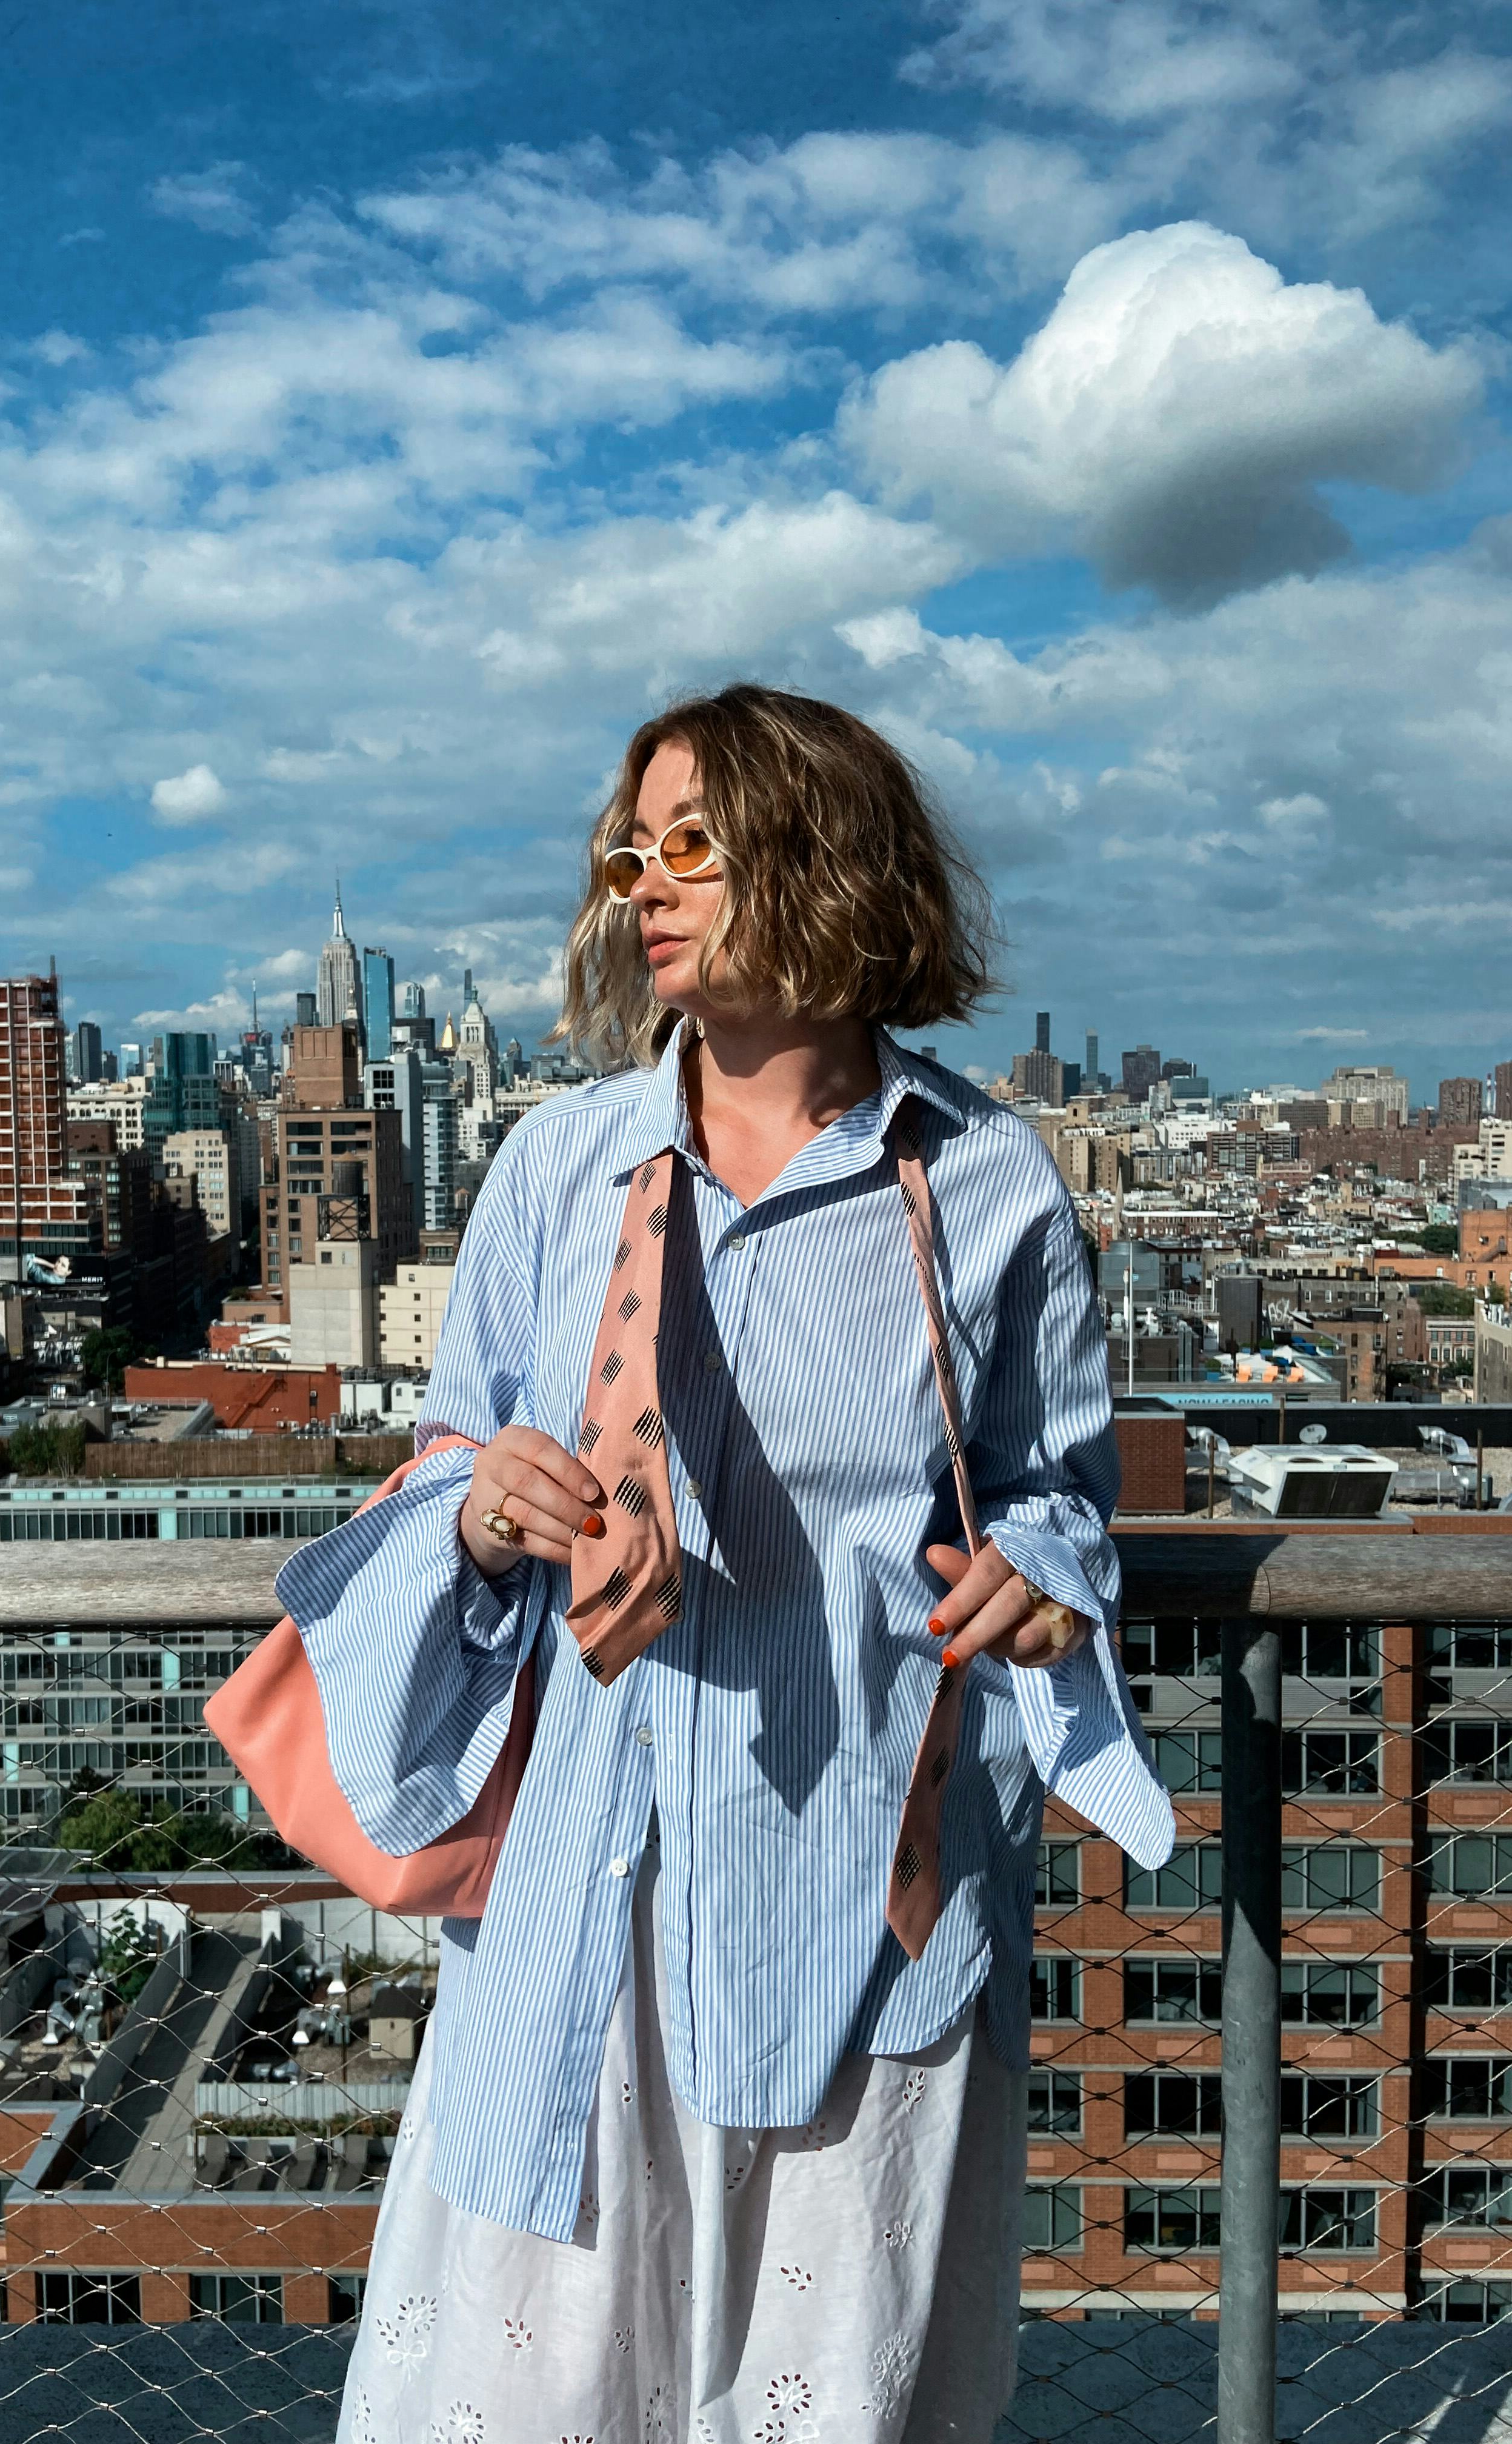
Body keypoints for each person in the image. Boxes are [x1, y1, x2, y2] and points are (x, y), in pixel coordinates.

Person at [275, 684, 1174, 2443]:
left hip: (862, 1889)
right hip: (586, 1893)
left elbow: (1054, 1491)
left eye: (691, 846)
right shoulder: (560, 1168)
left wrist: (1042, 1574)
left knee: (823, 2392)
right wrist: (479, 1509)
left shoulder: (985, 1183)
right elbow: (439, 1469)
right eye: (633, 853)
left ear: (820, 861)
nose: (646, 889)